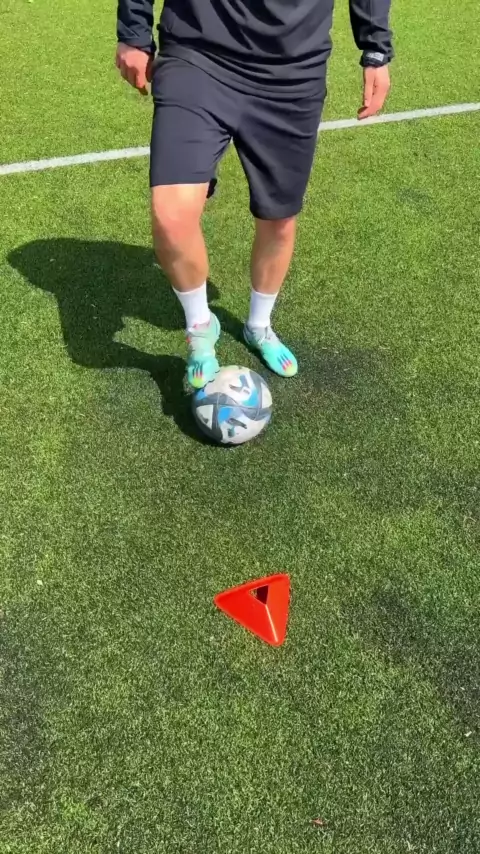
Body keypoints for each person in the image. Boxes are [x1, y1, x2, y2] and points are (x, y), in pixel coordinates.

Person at [116, 0, 393, 389]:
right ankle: (200, 328)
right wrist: (133, 33)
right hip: (197, 53)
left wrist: (375, 48)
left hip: (292, 70)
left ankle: (258, 326)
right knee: (171, 216)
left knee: (278, 219)